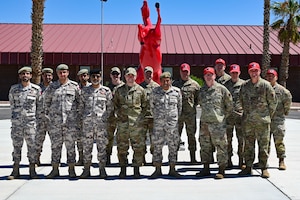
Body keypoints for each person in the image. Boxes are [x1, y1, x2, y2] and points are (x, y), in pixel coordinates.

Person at [238, 62, 277, 178]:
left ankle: (264, 167)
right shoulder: (244, 86)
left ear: (259, 72)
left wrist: (266, 116)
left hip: (262, 122)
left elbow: (273, 103)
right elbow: (241, 101)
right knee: (248, 146)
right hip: (248, 122)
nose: (254, 73)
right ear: (249, 72)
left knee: (263, 146)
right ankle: (248, 167)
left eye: (256, 71)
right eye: (251, 71)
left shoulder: (266, 85)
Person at [44, 63, 80, 178]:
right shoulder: (52, 87)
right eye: (60, 72)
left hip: (70, 123)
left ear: (68, 73)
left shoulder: (74, 86)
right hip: (55, 123)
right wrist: (49, 118)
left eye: (64, 72)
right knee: (55, 146)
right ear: (57, 74)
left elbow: (80, 103)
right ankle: (55, 169)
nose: (62, 74)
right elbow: (46, 103)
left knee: (70, 146)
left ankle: (71, 169)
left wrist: (77, 119)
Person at [196, 67, 233, 179]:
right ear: (204, 76)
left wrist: (221, 117)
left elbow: (229, 106)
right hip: (204, 124)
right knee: (204, 146)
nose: (209, 76)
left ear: (214, 76)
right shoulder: (201, 90)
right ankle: (206, 168)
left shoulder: (222, 89)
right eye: (207, 74)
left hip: (218, 125)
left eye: (211, 74)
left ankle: (221, 170)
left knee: (221, 147)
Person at [8, 66, 41, 179]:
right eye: (23, 74)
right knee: (17, 147)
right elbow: (12, 105)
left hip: (30, 124)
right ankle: (15, 170)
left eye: (27, 73)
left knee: (32, 147)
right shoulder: (14, 89)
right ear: (20, 76)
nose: (25, 76)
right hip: (17, 124)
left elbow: (39, 107)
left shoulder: (36, 90)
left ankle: (32, 170)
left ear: (31, 75)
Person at [113, 67, 147, 178]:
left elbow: (145, 106)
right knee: (122, 147)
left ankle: (136, 169)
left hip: (136, 125)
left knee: (138, 148)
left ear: (135, 77)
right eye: (128, 76)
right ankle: (123, 169)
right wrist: (118, 116)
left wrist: (141, 120)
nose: (130, 78)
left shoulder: (141, 90)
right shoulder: (119, 90)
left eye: (132, 75)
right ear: (125, 77)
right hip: (123, 124)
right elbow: (115, 105)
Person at [79, 69, 113, 179]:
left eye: (97, 76)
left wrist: (104, 119)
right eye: (93, 76)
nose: (95, 78)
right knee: (87, 147)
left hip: (101, 125)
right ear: (90, 77)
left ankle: (102, 169)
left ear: (101, 77)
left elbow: (110, 107)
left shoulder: (106, 91)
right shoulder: (84, 91)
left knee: (102, 147)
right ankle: (86, 169)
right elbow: (80, 106)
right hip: (88, 124)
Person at [149, 71, 182, 178]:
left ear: (171, 81)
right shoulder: (155, 92)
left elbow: (179, 108)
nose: (166, 83)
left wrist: (173, 118)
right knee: (157, 147)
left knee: (173, 146)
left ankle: (172, 168)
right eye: (163, 81)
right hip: (159, 125)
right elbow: (152, 107)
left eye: (168, 80)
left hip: (172, 125)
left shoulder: (177, 92)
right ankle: (157, 169)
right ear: (160, 81)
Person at [172, 63, 200, 163]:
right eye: (183, 72)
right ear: (180, 72)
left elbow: (197, 100)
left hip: (190, 115)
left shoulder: (195, 85)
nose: (185, 74)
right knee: (175, 137)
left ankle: (193, 158)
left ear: (189, 72)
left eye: (186, 72)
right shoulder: (174, 84)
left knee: (191, 136)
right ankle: (174, 159)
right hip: (178, 115)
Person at [266, 68, 292, 170]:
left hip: (277, 121)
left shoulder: (283, 91)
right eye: (268, 76)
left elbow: (288, 102)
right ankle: (263, 161)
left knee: (279, 141)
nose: (270, 78)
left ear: (276, 77)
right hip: (266, 120)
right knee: (264, 142)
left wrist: (284, 113)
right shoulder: (263, 88)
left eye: (272, 76)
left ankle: (281, 160)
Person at [224, 64, 245, 169]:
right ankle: (228, 160)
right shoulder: (225, 85)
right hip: (228, 116)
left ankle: (242, 161)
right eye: (232, 73)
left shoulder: (244, 85)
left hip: (240, 116)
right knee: (228, 140)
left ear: (239, 73)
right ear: (230, 73)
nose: (234, 74)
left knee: (241, 140)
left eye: (236, 73)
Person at [139, 66, 159, 164]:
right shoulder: (139, 87)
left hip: (153, 117)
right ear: (144, 74)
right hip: (142, 117)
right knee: (142, 139)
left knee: (154, 140)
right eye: (147, 73)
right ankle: (142, 159)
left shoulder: (157, 87)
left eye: (150, 73)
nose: (149, 75)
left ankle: (154, 159)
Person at [106, 66, 125, 165]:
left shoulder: (124, 87)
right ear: (110, 75)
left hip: (121, 117)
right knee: (108, 139)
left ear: (120, 75)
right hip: (110, 118)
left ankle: (121, 160)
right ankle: (107, 158)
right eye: (113, 74)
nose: (115, 76)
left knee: (121, 139)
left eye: (117, 74)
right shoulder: (106, 88)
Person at [36, 67, 54, 166]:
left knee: (55, 142)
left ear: (52, 76)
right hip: (40, 119)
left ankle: (55, 161)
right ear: (42, 76)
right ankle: (36, 159)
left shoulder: (56, 88)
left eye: (49, 75)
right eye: (45, 75)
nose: (47, 77)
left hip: (53, 120)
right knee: (38, 141)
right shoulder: (37, 88)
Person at [75, 68, 91, 166]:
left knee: (89, 139)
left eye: (85, 75)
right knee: (79, 139)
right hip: (78, 118)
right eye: (81, 76)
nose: (83, 77)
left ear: (88, 76)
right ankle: (81, 158)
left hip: (89, 118)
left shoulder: (92, 87)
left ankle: (89, 159)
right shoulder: (76, 88)